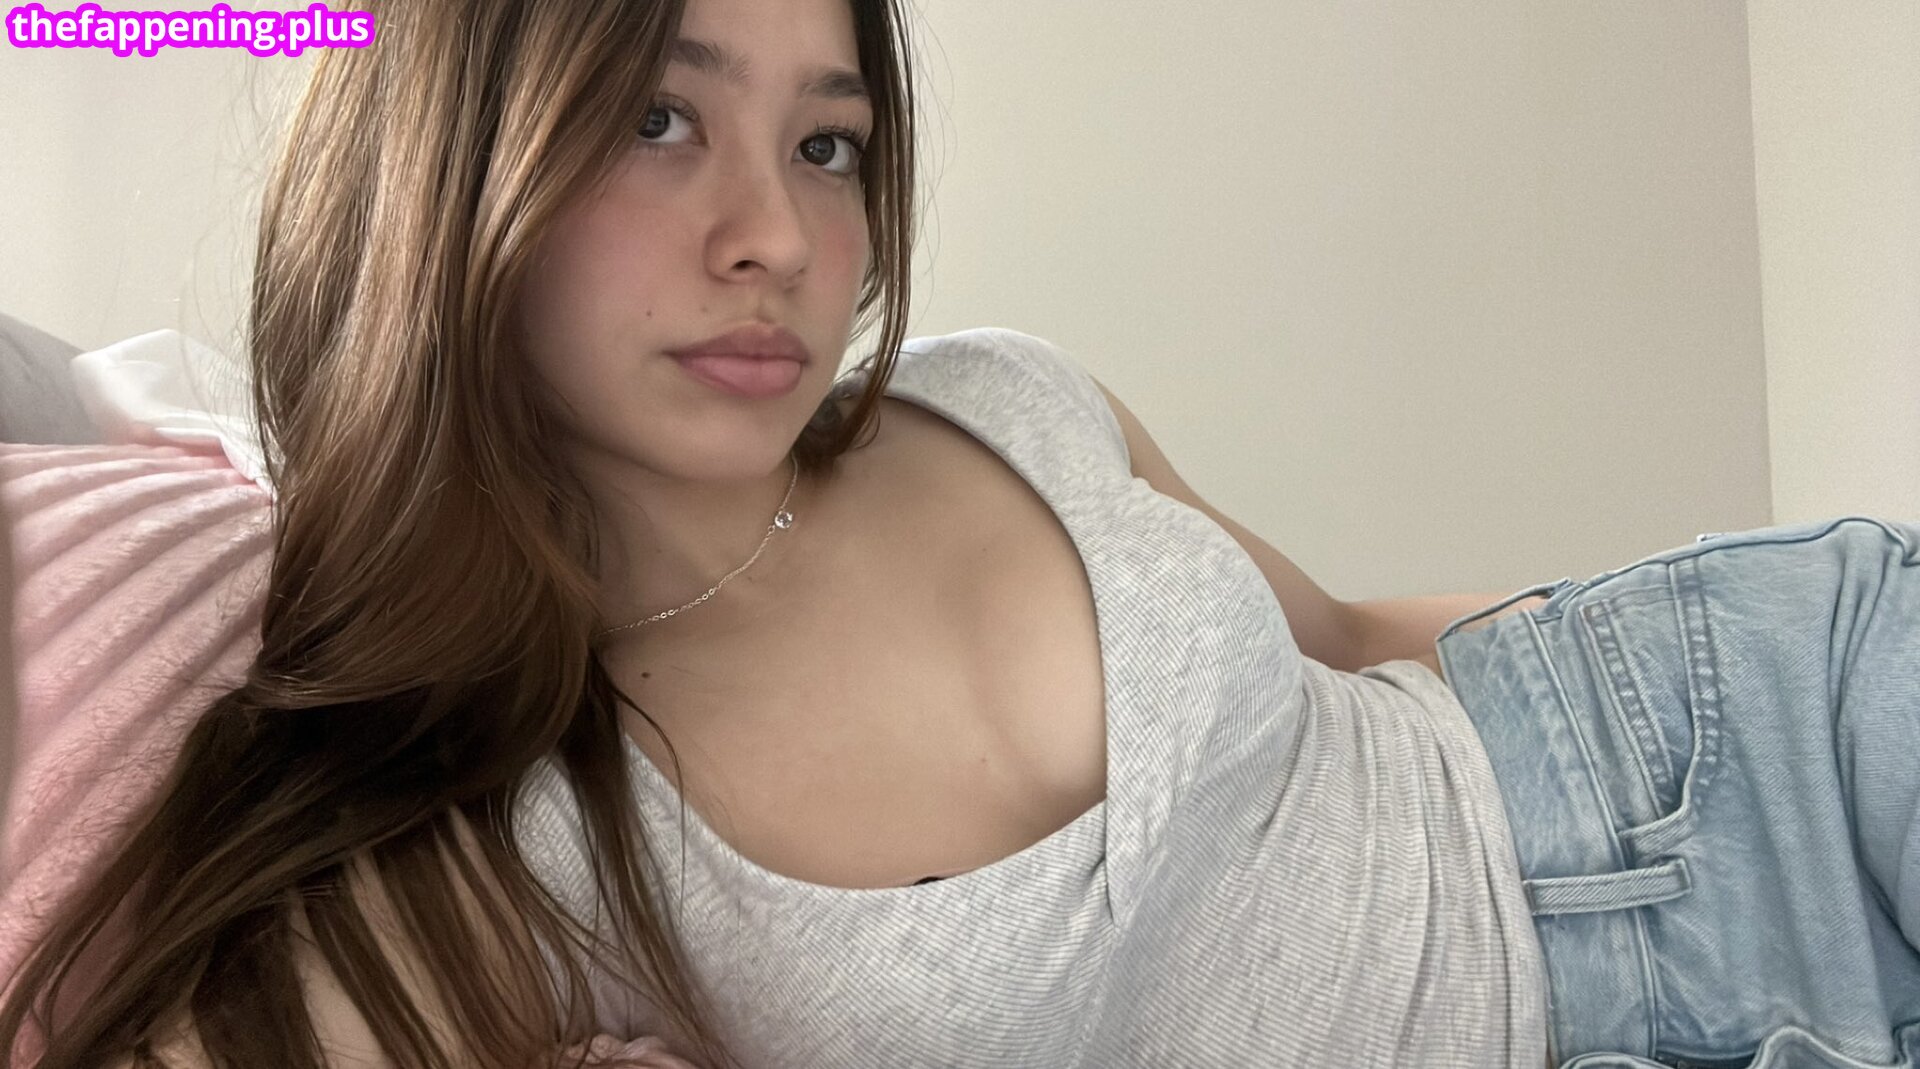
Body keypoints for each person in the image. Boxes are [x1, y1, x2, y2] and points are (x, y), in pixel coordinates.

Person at [2, 0, 1916, 1065]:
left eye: (826, 142)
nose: (777, 234)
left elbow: (1343, 630)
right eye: (660, 120)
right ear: (450, 160)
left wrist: (1678, 638)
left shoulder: (998, 398)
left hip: (1741, 726)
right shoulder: (501, 839)